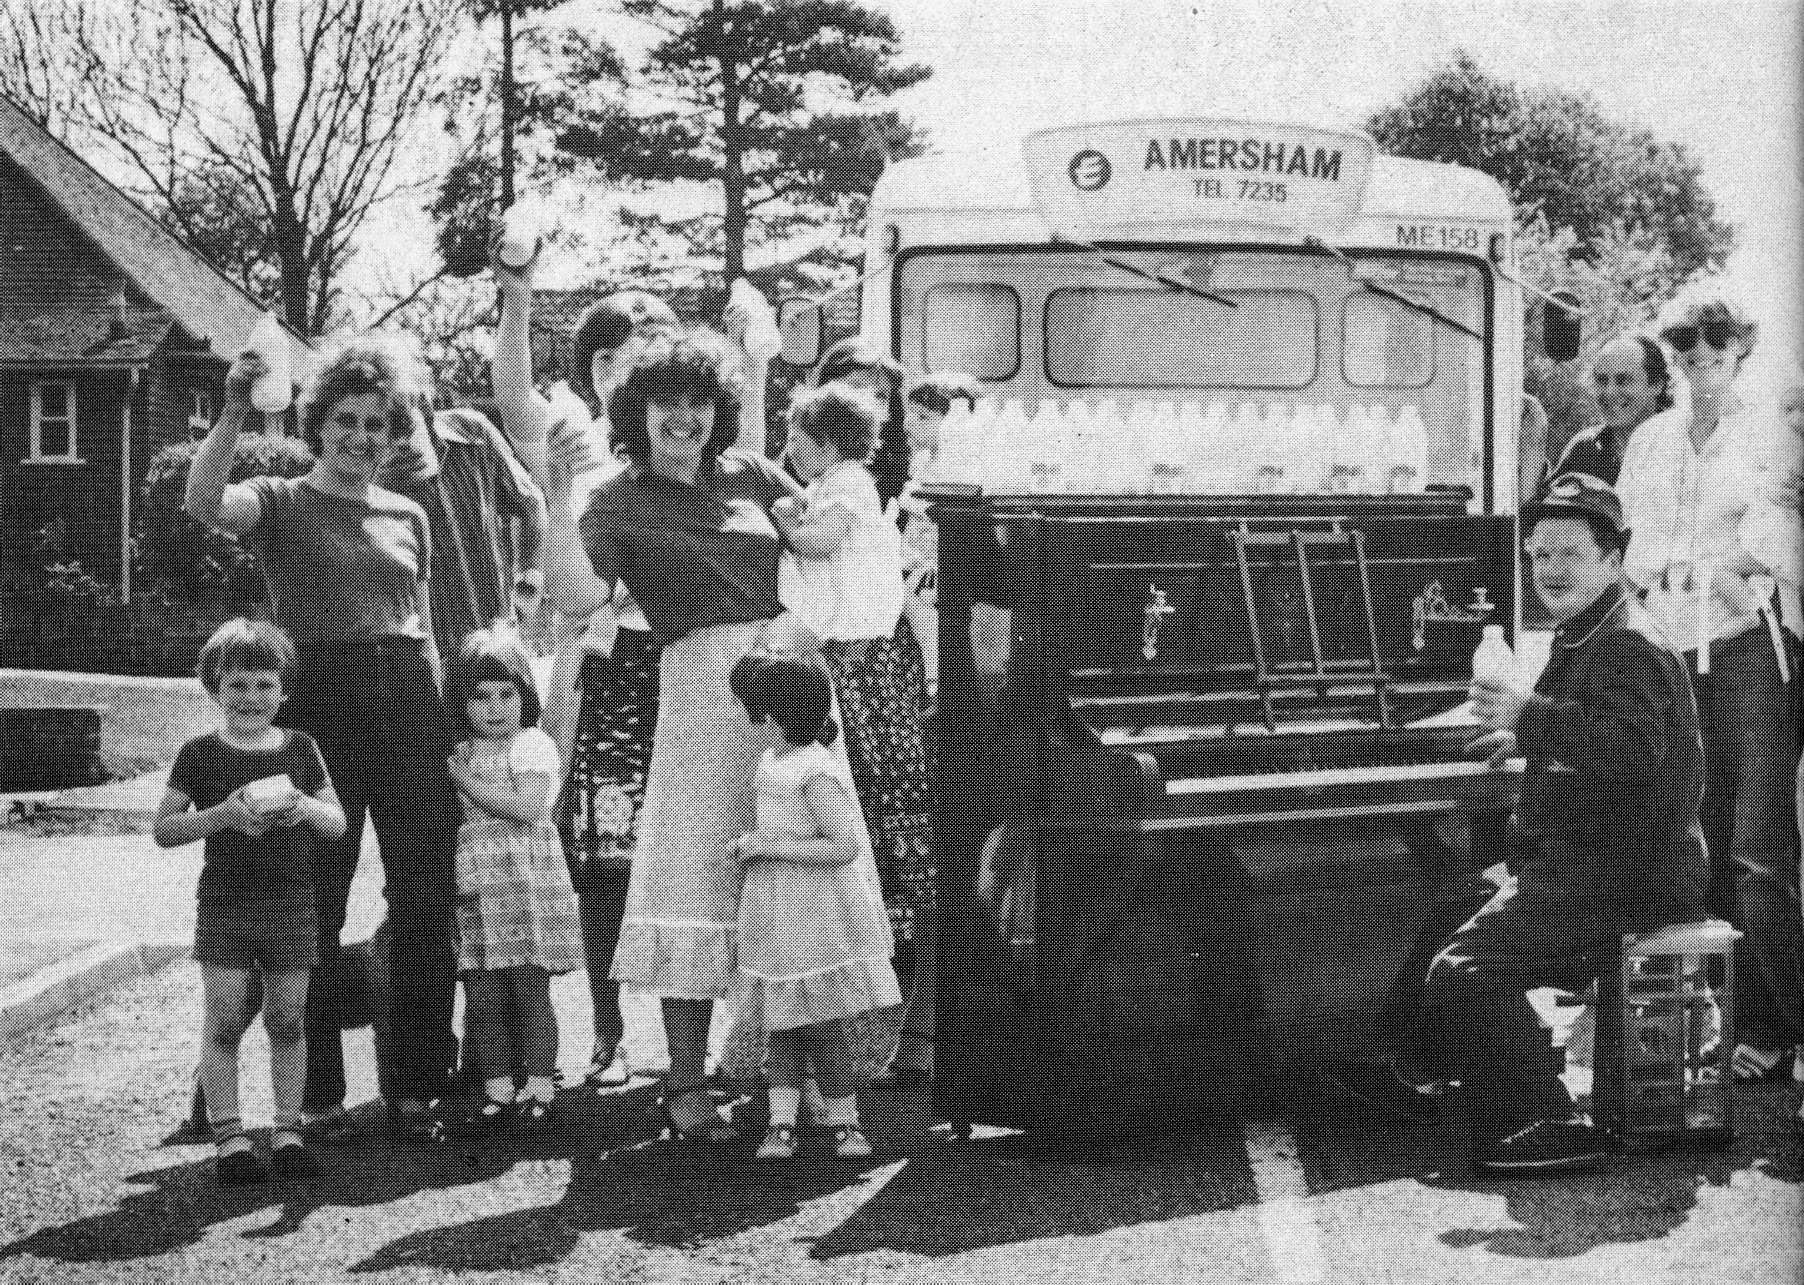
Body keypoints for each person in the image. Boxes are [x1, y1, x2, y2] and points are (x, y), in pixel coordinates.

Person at [1322, 474, 1710, 1175]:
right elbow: (1602, 736)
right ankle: (1412, 1074)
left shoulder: (1625, 641)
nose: (1549, 569)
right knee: (1455, 907)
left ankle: (1546, 1116)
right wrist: (1526, 738)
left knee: (1464, 970)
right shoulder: (1592, 627)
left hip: (1629, 876)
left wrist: (1528, 718)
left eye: (1568, 553)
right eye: (1538, 555)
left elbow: (1629, 748)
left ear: (1614, 558)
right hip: (1594, 862)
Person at [538, 328, 822, 1144]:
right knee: (696, 877)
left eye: (700, 401)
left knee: (790, 868)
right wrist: (558, 495)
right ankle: (686, 1083)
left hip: (787, 685)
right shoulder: (617, 501)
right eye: (668, 401)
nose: (686, 416)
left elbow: (821, 559)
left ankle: (786, 1076)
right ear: (638, 410)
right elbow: (574, 596)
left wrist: (802, 629)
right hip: (699, 694)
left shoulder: (754, 473)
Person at [185, 333, 461, 1143]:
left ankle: (415, 1083)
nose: (362, 437)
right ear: (319, 422)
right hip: (320, 703)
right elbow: (204, 502)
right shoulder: (278, 499)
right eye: (347, 419)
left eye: (378, 423)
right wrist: (235, 406)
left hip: (408, 699)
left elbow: (428, 629)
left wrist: (444, 724)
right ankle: (319, 1093)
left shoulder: (409, 512)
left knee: (423, 896)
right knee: (316, 900)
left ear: (395, 432)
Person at [491, 261, 682, 1092]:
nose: (623, 371)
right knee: (603, 860)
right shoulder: (573, 434)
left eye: (644, 352)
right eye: (609, 356)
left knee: (684, 853)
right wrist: (521, 293)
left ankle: (693, 1044)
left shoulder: (687, 441)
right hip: (605, 671)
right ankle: (609, 1032)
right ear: (594, 371)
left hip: (679, 667)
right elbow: (511, 395)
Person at [1617, 292, 1804, 1083]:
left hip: (1747, 647)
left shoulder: (1769, 436)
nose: (1703, 375)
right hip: (1674, 642)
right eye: (1689, 361)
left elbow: (1778, 531)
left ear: (1739, 358)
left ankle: (1784, 1021)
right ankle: (1727, 1019)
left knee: (1758, 848)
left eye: (1716, 360)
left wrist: (1744, 565)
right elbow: (1629, 533)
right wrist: (1676, 568)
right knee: (1698, 833)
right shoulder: (1654, 438)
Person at [154, 620, 347, 1184]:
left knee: (288, 1018)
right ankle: (229, 1135)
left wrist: (301, 809)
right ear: (214, 688)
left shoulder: (301, 748)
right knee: (225, 1020)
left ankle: (287, 1129)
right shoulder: (200, 753)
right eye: (237, 685)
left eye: (264, 685)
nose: (251, 697)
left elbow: (335, 822)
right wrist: (222, 815)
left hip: (291, 905)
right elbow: (165, 829)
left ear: (283, 691)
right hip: (225, 906)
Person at [727, 651, 901, 1160]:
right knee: (782, 1023)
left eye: (751, 706)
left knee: (829, 1024)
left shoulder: (817, 769)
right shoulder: (770, 763)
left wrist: (766, 846)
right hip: (779, 914)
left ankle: (843, 1121)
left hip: (818, 916)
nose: (744, 717)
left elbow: (844, 844)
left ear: (775, 711)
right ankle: (782, 1123)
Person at [446, 626, 585, 1129]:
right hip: (479, 888)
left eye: (506, 694)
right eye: (480, 697)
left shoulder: (533, 746)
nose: (494, 707)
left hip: (526, 888)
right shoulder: (462, 750)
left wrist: (464, 783)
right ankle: (498, 1080)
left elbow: (530, 808)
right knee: (483, 990)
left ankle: (541, 1078)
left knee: (529, 987)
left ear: (525, 695)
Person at [377, 401, 549, 663]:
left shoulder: (472, 433)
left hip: (500, 644)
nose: (399, 442)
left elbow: (530, 503)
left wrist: (530, 583)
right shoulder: (367, 480)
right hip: (432, 659)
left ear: (424, 405)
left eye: (405, 425)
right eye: (385, 428)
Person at [1553, 334, 1675, 485]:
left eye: (1623, 380)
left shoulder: (1682, 449)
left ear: (1656, 384)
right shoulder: (1584, 450)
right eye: (1602, 380)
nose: (1609, 392)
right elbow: (1546, 507)